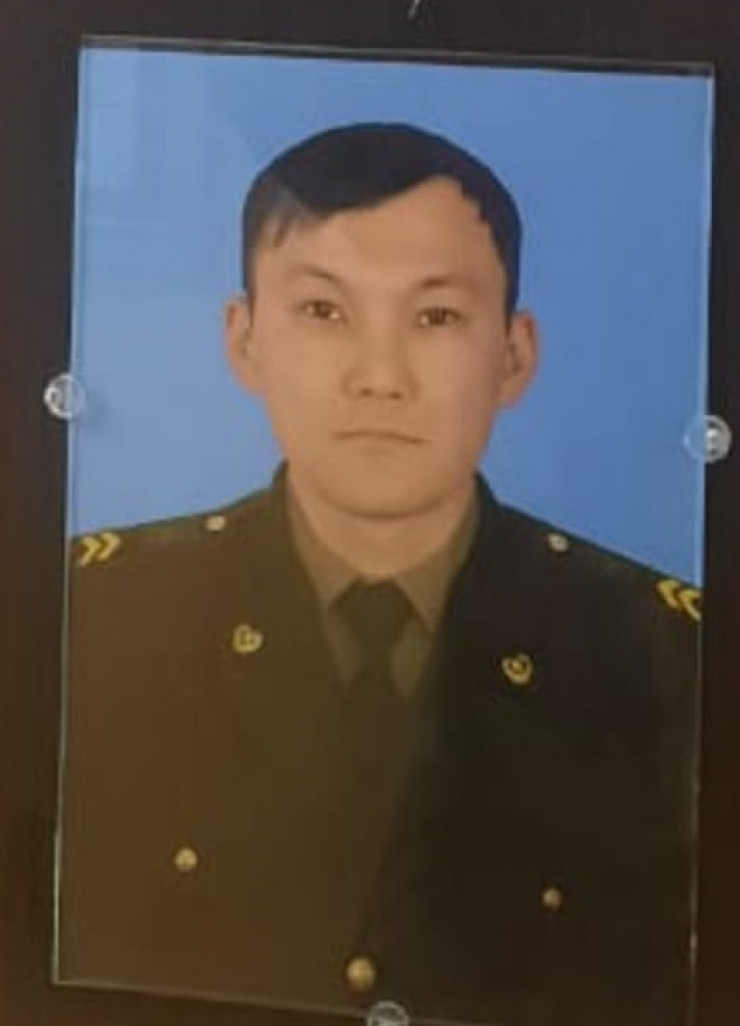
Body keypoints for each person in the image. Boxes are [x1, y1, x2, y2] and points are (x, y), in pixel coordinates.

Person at [56, 123, 701, 1026]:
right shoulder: (88, 616)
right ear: (244, 340)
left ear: (514, 355)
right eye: (324, 311)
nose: (380, 377)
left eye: (436, 317)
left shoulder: (667, 652)